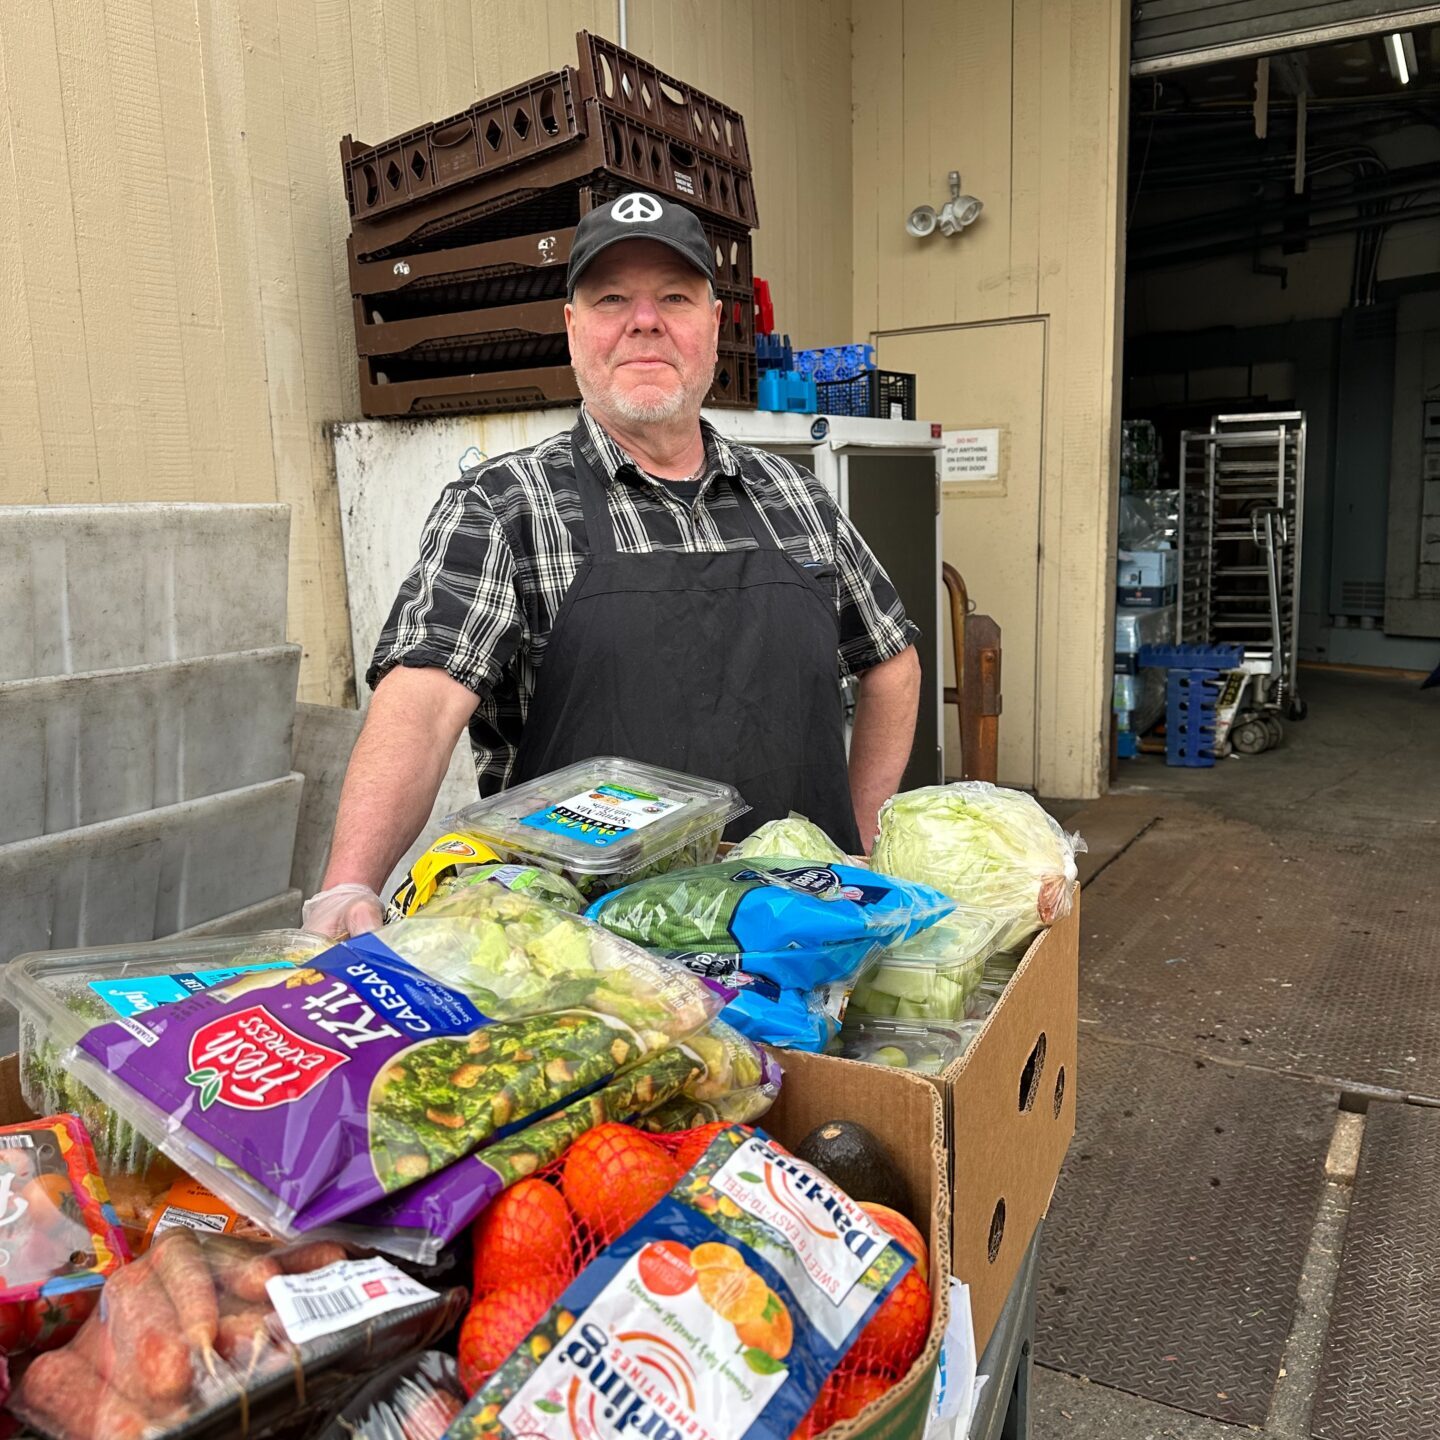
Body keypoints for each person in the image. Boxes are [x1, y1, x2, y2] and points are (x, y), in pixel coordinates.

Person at [303, 191, 921, 939]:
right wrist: (348, 884)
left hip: (802, 951)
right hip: (590, 969)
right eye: (611, 298)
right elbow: (424, 705)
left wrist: (856, 844)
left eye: (674, 297)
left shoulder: (792, 494)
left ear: (714, 324)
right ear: (572, 329)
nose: (645, 321)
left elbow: (891, 659)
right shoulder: (504, 506)